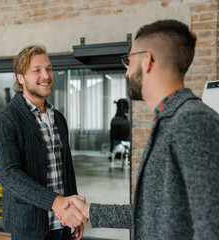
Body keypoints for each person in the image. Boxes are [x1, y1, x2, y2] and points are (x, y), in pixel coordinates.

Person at [60, 19, 219, 239]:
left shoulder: (194, 122)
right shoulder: (169, 120)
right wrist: (90, 211)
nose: (126, 72)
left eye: (129, 60)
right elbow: (151, 213)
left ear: (147, 61)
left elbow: (212, 227)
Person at [0, 44, 87, 240]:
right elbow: (9, 175)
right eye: (37, 70)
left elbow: (65, 169)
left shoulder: (58, 117)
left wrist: (76, 213)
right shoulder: (6, 120)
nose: (46, 75)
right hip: (29, 228)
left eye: (49, 68)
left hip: (62, 222)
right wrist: (56, 202)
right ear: (21, 77)